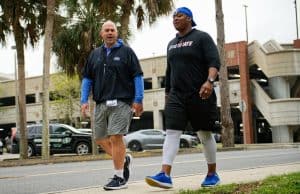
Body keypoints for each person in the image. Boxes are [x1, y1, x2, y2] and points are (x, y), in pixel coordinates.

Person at [145, 7, 221, 188]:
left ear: (189, 19)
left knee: (204, 134)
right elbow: (169, 71)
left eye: (179, 16)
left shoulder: (202, 37)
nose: (175, 19)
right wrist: (167, 95)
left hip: (200, 94)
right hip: (177, 96)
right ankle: (165, 174)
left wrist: (209, 82)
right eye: (173, 16)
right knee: (171, 133)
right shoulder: (171, 43)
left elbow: (214, 62)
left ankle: (212, 174)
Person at [80, 20, 144, 190]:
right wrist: (84, 100)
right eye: (106, 30)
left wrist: (138, 99)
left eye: (112, 30)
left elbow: (137, 76)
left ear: (117, 33)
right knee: (100, 139)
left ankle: (119, 177)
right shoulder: (94, 55)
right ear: (101, 34)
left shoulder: (127, 52)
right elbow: (87, 79)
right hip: (101, 103)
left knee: (116, 136)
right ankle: (124, 160)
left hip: (122, 102)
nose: (109, 33)